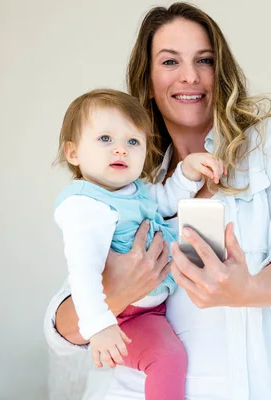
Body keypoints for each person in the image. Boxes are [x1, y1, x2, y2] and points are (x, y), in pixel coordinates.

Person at [44, 2, 271, 399]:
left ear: (221, 70)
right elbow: (62, 328)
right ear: (148, 80)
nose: (190, 76)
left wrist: (247, 288)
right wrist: (118, 293)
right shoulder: (128, 178)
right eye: (169, 61)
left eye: (205, 60)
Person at [53, 88, 225, 399]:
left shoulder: (135, 190)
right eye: (105, 139)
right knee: (167, 358)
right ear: (73, 152)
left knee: (173, 356)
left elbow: (166, 200)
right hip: (120, 315)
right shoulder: (84, 205)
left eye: (133, 142)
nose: (121, 150)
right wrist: (98, 325)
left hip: (150, 312)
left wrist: (188, 170)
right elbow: (84, 273)